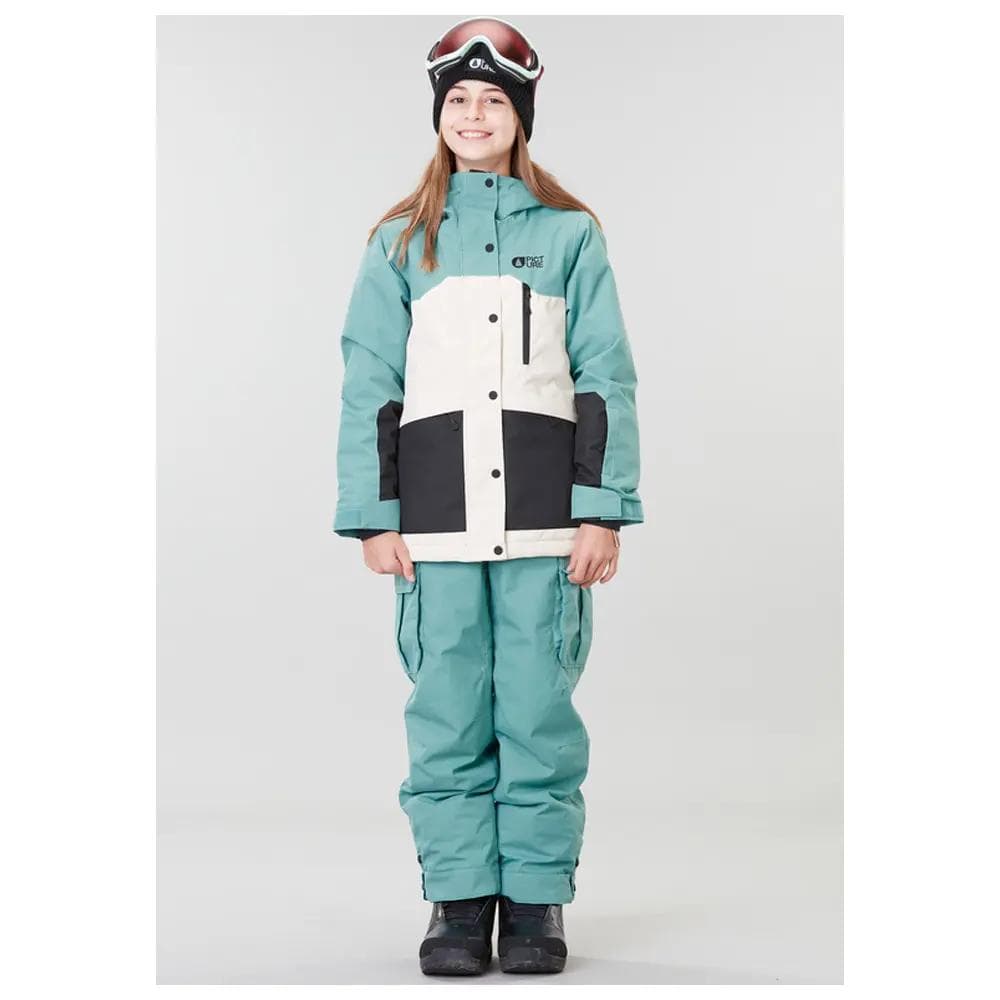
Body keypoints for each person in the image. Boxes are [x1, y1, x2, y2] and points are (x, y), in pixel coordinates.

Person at [332, 16, 644, 976]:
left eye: (494, 101)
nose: (474, 115)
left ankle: (537, 902)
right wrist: (374, 516)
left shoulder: (571, 234)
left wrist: (601, 508)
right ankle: (460, 903)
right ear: (439, 114)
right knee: (447, 713)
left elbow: (605, 377)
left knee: (539, 715)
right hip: (436, 526)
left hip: (547, 523)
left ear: (521, 117)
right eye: (459, 100)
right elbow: (370, 383)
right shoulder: (400, 242)